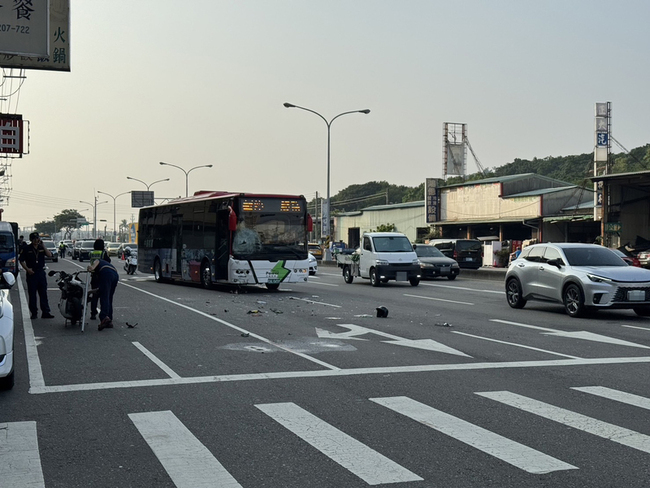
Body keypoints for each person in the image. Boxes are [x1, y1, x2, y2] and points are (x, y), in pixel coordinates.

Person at [19, 232, 54, 319]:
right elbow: (21, 261)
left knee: (43, 293)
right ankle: (34, 312)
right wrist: (27, 269)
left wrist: (43, 245)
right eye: (34, 239)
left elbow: (50, 255)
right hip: (32, 273)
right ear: (31, 240)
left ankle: (45, 312)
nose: (36, 240)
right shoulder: (27, 248)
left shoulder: (41, 248)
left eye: (37, 238)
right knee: (32, 294)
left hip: (41, 273)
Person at [87, 258, 119, 331]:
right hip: (115, 275)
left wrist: (91, 267)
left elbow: (96, 262)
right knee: (109, 297)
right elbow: (100, 289)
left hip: (106, 273)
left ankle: (104, 317)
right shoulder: (106, 264)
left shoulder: (98, 261)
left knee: (104, 297)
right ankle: (109, 318)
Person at [89, 239, 110, 321]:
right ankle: (104, 314)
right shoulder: (103, 253)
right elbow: (108, 261)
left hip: (94, 275)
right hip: (102, 275)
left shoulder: (91, 253)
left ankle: (93, 313)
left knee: (94, 295)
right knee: (103, 295)